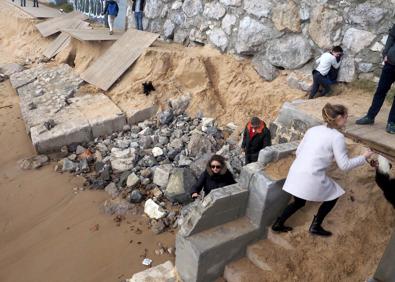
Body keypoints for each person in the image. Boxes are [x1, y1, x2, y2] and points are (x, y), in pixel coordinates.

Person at [272, 103, 373, 237]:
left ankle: (278, 224)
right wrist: (364, 157)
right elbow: (344, 165)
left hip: (295, 172)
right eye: (346, 117)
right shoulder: (337, 137)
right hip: (310, 176)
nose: (347, 120)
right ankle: (316, 226)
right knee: (335, 194)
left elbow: (298, 151)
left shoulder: (313, 130)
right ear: (339, 118)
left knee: (299, 202)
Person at [355, 24, 395, 134]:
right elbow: (391, 38)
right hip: (391, 63)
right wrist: (385, 54)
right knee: (380, 91)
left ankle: (392, 122)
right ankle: (370, 116)